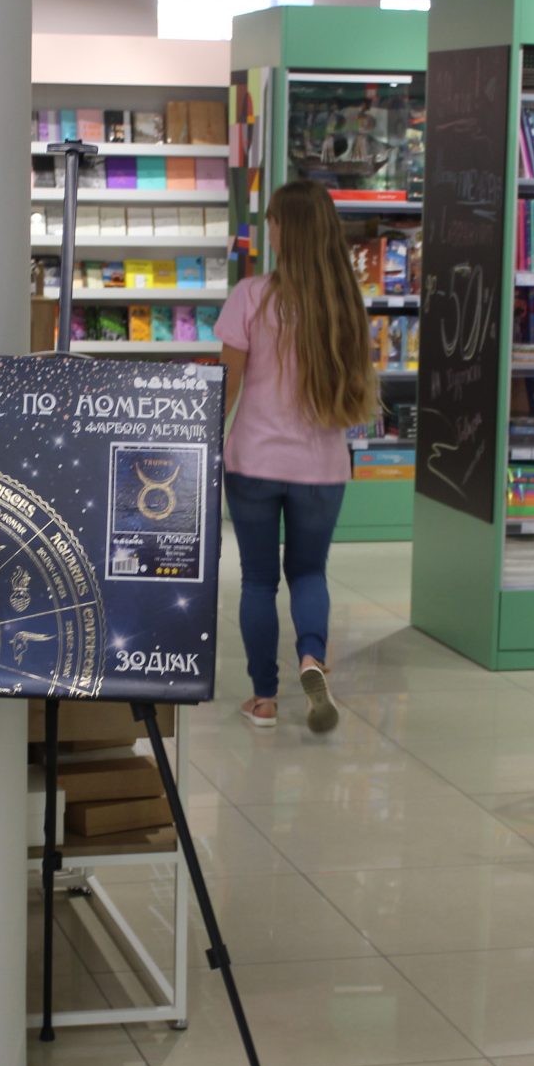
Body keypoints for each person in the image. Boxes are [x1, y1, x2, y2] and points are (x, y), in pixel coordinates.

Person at [215, 179, 376, 733]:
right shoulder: (344, 304)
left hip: (254, 463)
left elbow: (227, 385)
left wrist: (203, 439)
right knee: (309, 572)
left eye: (273, 220)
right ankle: (312, 657)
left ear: (286, 230)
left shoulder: (251, 296)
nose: (269, 229)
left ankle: (264, 699)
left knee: (258, 581)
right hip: (321, 466)